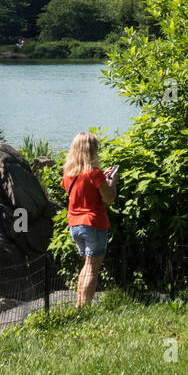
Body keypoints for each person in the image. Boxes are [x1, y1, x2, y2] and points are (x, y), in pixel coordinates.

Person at [61, 131, 118, 307]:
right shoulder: (94, 173)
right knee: (92, 268)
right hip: (93, 223)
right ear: (91, 150)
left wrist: (104, 178)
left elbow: (82, 192)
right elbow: (109, 199)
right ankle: (84, 308)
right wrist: (112, 181)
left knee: (87, 265)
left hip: (74, 225)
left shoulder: (68, 174)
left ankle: (79, 304)